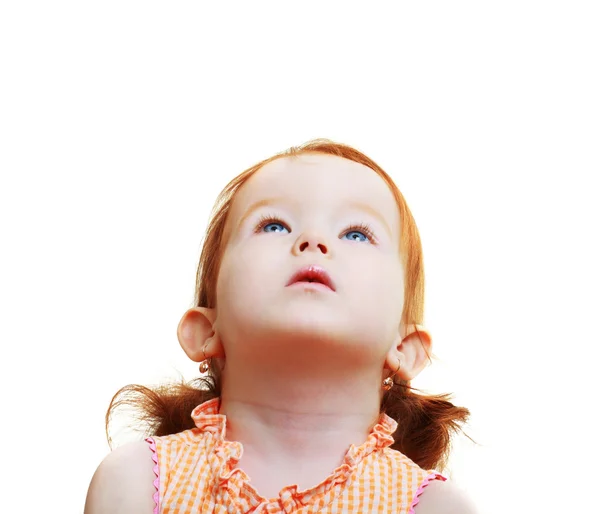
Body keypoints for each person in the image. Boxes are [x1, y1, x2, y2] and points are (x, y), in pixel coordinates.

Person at [84, 139, 477, 513]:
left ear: (406, 347)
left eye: (356, 233)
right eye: (273, 225)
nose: (313, 240)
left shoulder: (433, 507)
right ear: (204, 331)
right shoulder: (137, 483)